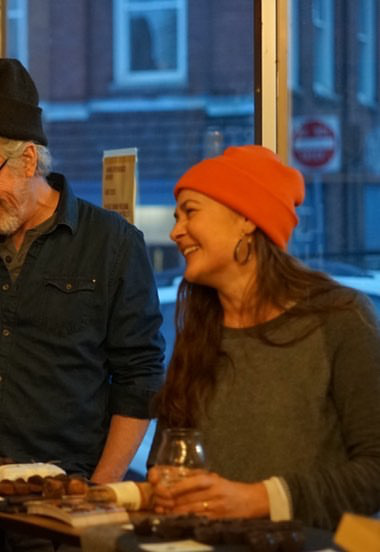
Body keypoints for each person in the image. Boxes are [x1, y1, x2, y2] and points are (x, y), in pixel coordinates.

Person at [0, 58, 165, 483]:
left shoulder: (112, 244)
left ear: (28, 160)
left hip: (63, 485)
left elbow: (140, 377)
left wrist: (100, 489)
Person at [148, 145, 380, 530]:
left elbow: (376, 471)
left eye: (190, 212)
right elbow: (164, 457)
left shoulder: (341, 317)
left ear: (246, 218)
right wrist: (164, 482)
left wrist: (260, 499)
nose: (175, 231)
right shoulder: (199, 331)